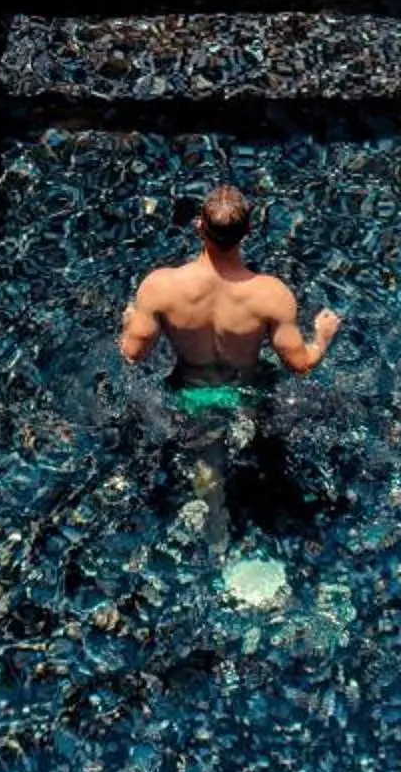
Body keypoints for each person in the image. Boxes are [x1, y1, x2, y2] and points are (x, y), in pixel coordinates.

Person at [117, 185, 342, 554]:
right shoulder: (271, 294)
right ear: (249, 231)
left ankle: (217, 542)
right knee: (267, 461)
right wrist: (323, 337)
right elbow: (301, 365)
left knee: (209, 470)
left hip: (190, 395)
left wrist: (128, 323)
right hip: (247, 394)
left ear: (198, 226)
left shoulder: (159, 287)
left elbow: (131, 355)